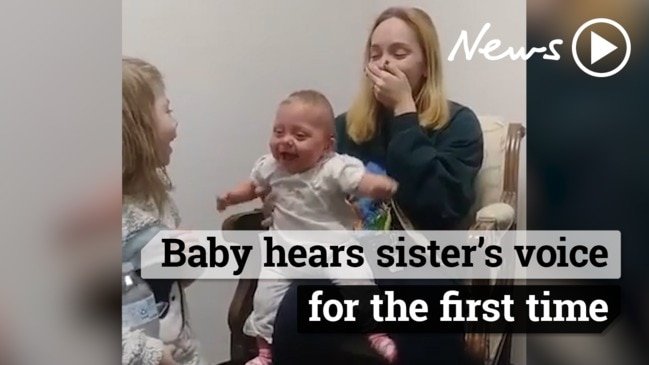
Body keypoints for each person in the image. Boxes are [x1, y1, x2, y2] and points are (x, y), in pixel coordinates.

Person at [257, 7, 484, 365]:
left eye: (399, 53)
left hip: (422, 264)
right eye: (375, 54)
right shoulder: (342, 128)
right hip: (347, 260)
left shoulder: (458, 124)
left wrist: (406, 113)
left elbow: (443, 206)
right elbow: (305, 188)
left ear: (427, 64)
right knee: (296, 312)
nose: (383, 63)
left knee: (434, 307)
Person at [217, 90, 400, 365]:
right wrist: (233, 196)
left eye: (299, 136)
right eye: (279, 132)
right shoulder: (270, 167)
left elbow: (358, 181)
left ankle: (375, 332)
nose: (285, 141)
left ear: (327, 146)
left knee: (358, 282)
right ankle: (265, 352)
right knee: (264, 301)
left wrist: (376, 186)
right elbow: (253, 186)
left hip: (333, 248)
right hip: (285, 253)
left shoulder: (334, 167)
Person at [121, 56, 205, 365]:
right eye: (166, 110)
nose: (175, 121)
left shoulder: (154, 196)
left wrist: (185, 262)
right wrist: (150, 355)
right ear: (137, 129)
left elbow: (168, 283)